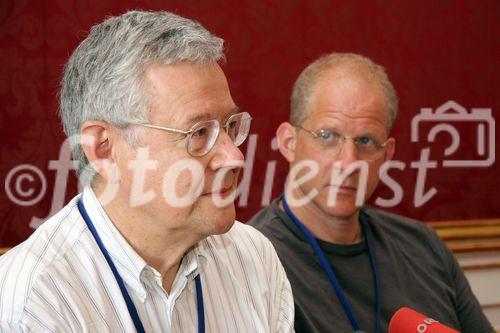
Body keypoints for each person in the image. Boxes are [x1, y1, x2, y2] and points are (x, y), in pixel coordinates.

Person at [0, 11, 294, 332]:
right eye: (198, 133)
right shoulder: (36, 300)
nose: (234, 156)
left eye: (229, 126)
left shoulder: (253, 256)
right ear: (104, 149)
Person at [249, 53, 493, 333]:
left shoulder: (424, 247)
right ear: (289, 143)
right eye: (328, 136)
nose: (349, 163)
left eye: (365, 141)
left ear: (386, 153)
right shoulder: (252, 261)